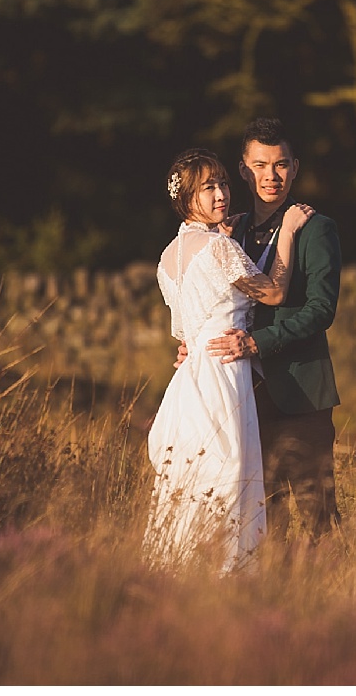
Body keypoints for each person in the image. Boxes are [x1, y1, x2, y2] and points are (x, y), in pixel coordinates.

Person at [144, 147, 313, 573]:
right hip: (223, 375)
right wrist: (288, 231)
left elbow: (183, 336)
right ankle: (229, 575)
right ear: (186, 198)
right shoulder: (218, 249)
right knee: (229, 474)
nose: (221, 194)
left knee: (192, 481)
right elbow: (272, 292)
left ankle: (183, 572)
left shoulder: (167, 258)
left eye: (222, 183)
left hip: (188, 382)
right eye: (208, 188)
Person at [202, 117, 343, 543]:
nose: (271, 176)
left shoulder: (317, 228)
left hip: (301, 393)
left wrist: (258, 342)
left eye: (280, 165)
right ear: (244, 170)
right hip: (246, 395)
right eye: (260, 166)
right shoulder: (230, 232)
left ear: (295, 168)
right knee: (263, 516)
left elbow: (321, 309)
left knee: (319, 515)